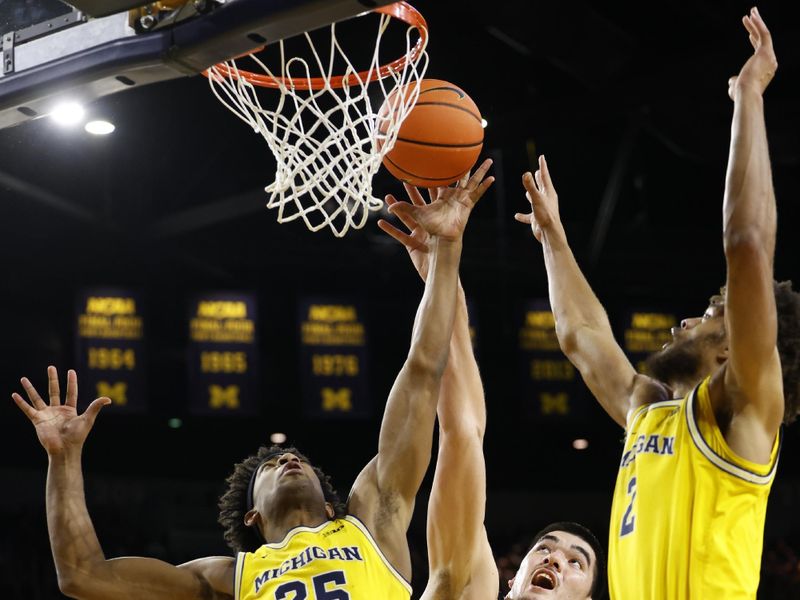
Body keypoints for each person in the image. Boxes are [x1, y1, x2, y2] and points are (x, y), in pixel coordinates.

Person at [11, 160, 495, 600]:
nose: (287, 458)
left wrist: (447, 252)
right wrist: (63, 460)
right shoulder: (226, 578)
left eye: (296, 460)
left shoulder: (372, 517)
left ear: (332, 508)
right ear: (252, 517)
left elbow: (423, 369)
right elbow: (83, 576)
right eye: (271, 467)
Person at [515, 8, 799, 598]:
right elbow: (581, 337)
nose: (688, 320)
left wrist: (749, 97)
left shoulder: (744, 415)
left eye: (713, 314)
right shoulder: (648, 410)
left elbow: (746, 243)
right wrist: (555, 242)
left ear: (733, 350)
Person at [381, 186, 605, 600]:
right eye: (544, 549)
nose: (554, 559)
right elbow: (462, 433)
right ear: (510, 579)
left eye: (577, 562)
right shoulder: (467, 589)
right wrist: (444, 270)